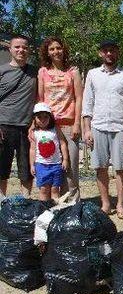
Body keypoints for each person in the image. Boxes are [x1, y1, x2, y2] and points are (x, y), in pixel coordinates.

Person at [82, 40, 123, 219]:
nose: (109, 54)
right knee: (100, 167)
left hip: (121, 127)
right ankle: (106, 203)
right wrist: (87, 129)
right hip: (98, 126)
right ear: (100, 53)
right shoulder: (92, 74)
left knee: (121, 168)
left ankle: (121, 205)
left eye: (112, 51)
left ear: (118, 53)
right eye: (106, 51)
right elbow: (87, 102)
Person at [37, 36, 83, 202]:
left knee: (70, 167)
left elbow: (79, 98)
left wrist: (77, 123)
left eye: (58, 48)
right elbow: (40, 100)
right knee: (52, 165)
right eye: (52, 49)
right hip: (49, 127)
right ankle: (54, 203)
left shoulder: (73, 72)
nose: (56, 51)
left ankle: (73, 204)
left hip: (69, 125)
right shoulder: (42, 72)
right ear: (47, 53)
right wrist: (38, 125)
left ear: (64, 50)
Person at [0, 34, 38, 197]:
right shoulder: (2, 71)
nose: (21, 50)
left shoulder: (35, 72)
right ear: (10, 49)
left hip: (26, 127)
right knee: (2, 168)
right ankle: (2, 203)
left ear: (28, 50)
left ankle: (25, 202)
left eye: (24, 47)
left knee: (26, 169)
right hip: (3, 126)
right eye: (17, 47)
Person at [29, 103, 69, 202]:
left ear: (50, 118)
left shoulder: (55, 129)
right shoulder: (34, 132)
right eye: (39, 117)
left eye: (45, 117)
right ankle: (44, 210)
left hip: (56, 165)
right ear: (34, 119)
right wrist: (32, 165)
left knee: (55, 189)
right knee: (43, 189)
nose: (42, 120)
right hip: (41, 165)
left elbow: (63, 143)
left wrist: (65, 159)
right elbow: (32, 149)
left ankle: (55, 210)